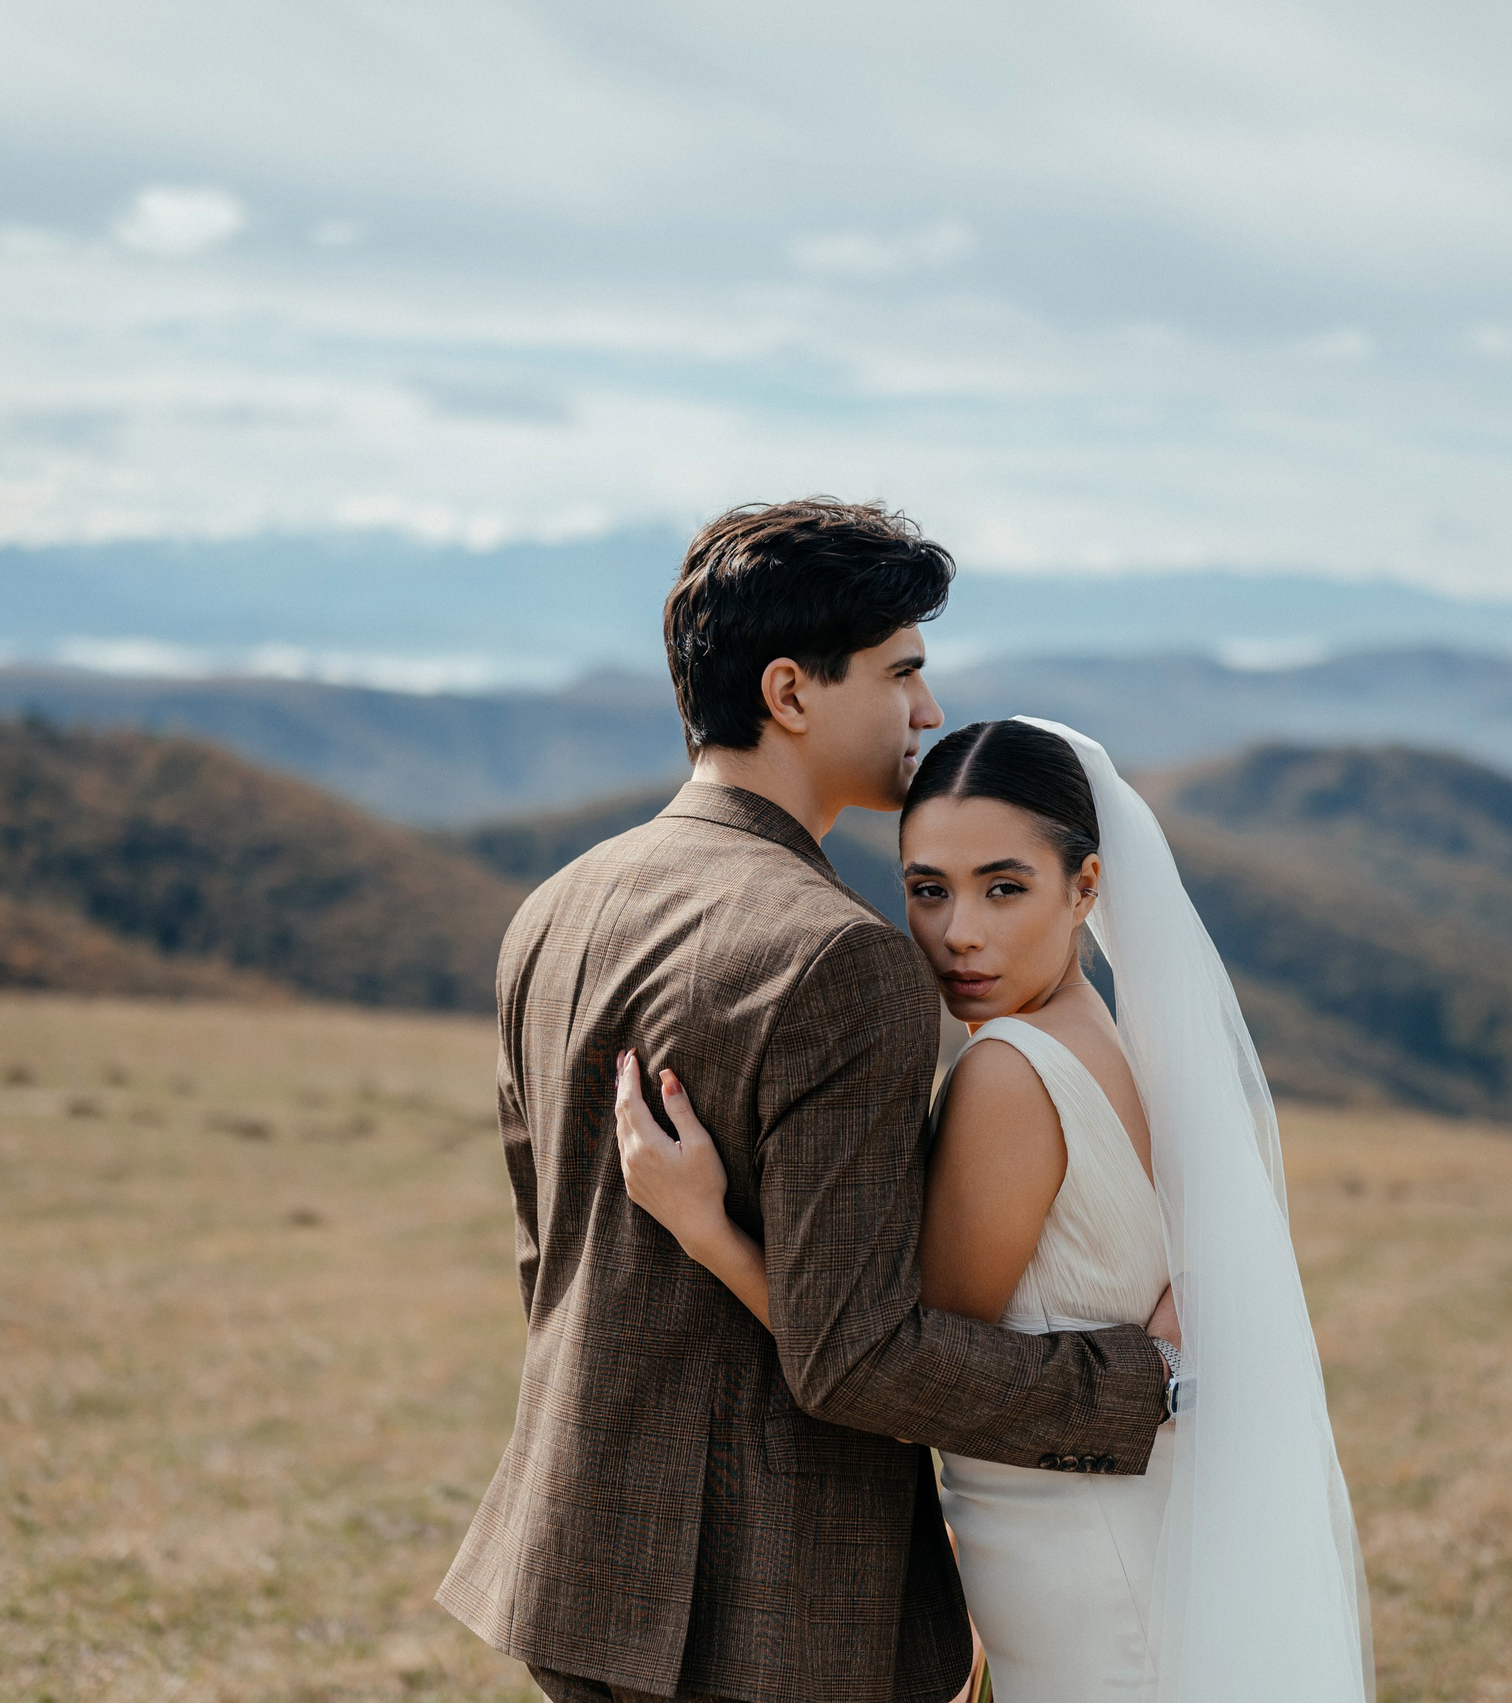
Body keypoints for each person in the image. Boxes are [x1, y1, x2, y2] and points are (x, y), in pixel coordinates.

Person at [436, 500, 1184, 1703]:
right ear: (789, 691)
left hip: (575, 1561)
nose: (926, 710)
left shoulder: (556, 907)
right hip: (772, 1603)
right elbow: (859, 1357)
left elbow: (548, 1258)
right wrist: (1144, 1381)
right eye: (901, 672)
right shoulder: (842, 958)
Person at [621, 716, 1376, 1702]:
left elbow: (899, 1372)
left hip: (1079, 1567)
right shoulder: (1113, 1037)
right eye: (928, 889)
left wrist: (707, 1230)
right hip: (1121, 1534)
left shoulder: (1009, 1072)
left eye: (1004, 887)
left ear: (1085, 887)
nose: (958, 932)